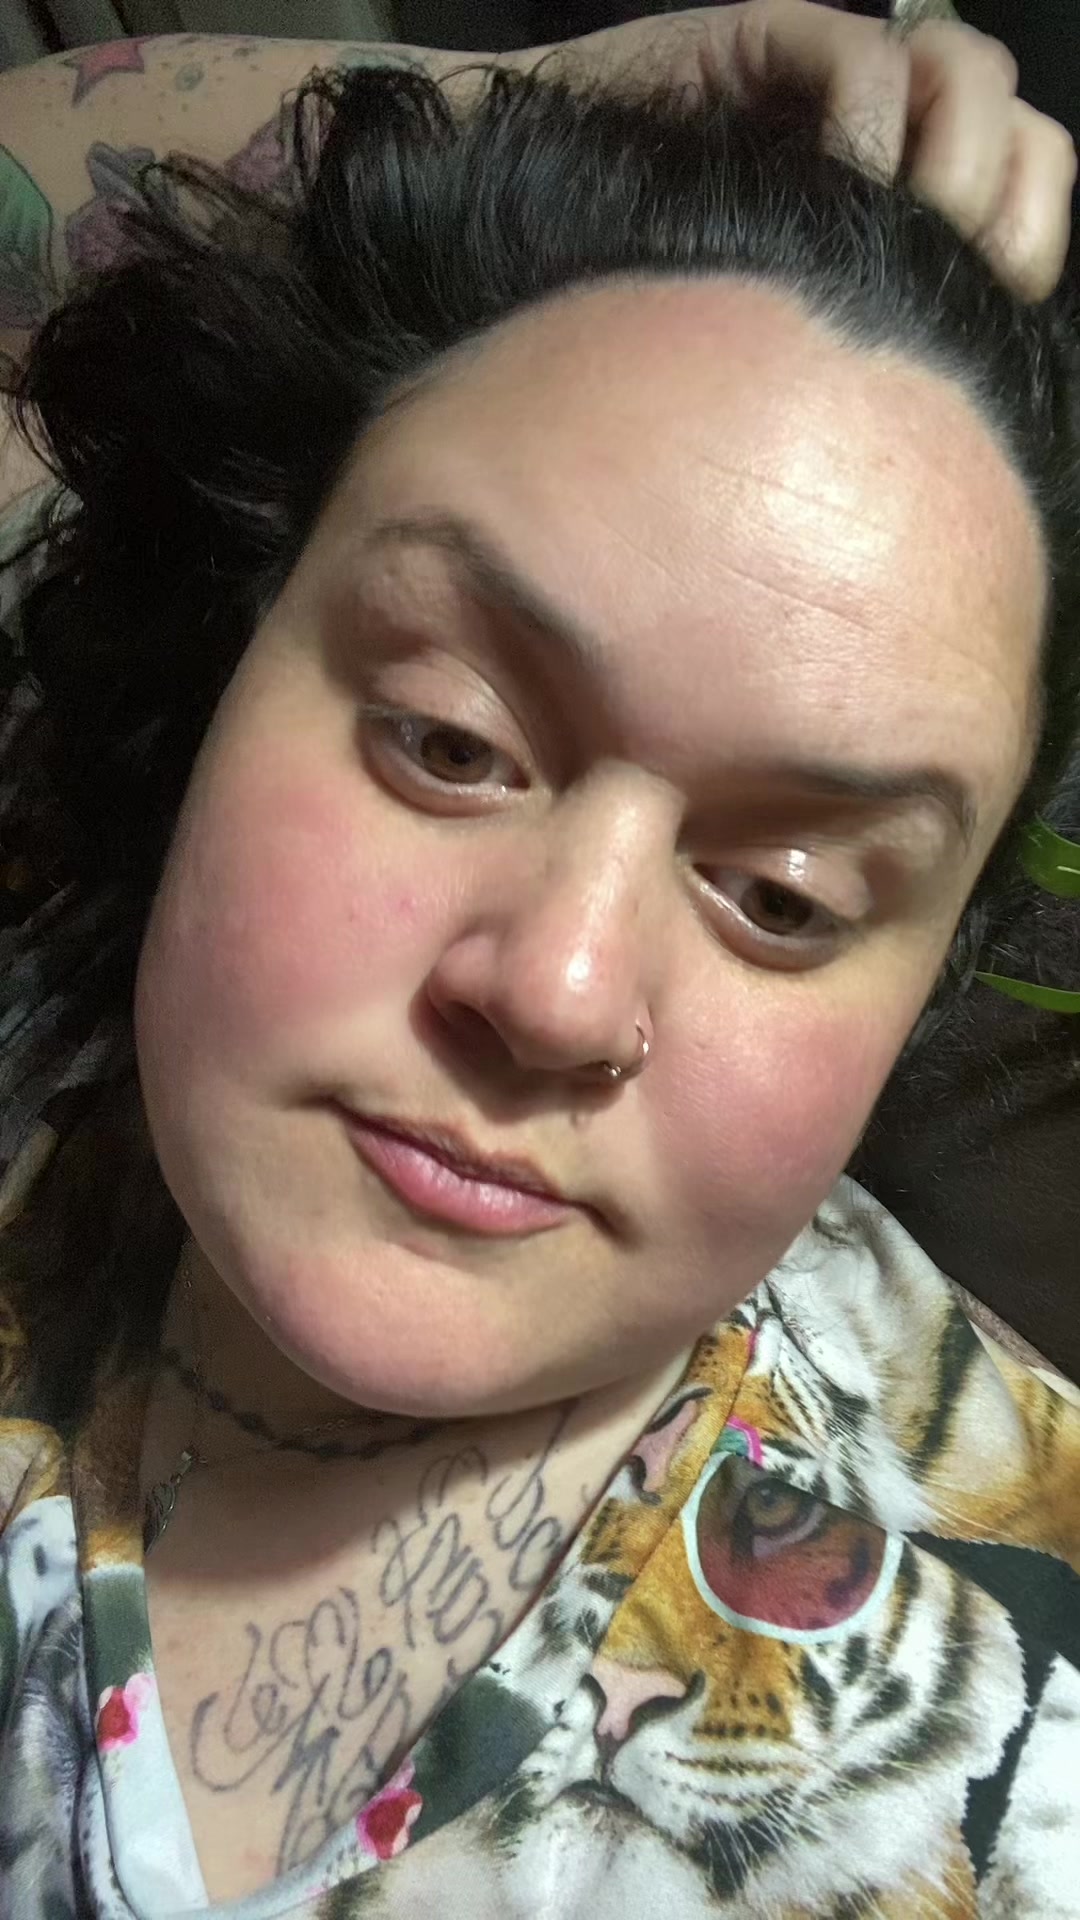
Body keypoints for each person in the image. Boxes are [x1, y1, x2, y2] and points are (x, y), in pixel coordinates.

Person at [1, 5, 1079, 1916]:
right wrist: (528, 137)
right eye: (448, 742)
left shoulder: (1021, 1747)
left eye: (785, 898)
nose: (558, 991)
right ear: (226, 642)